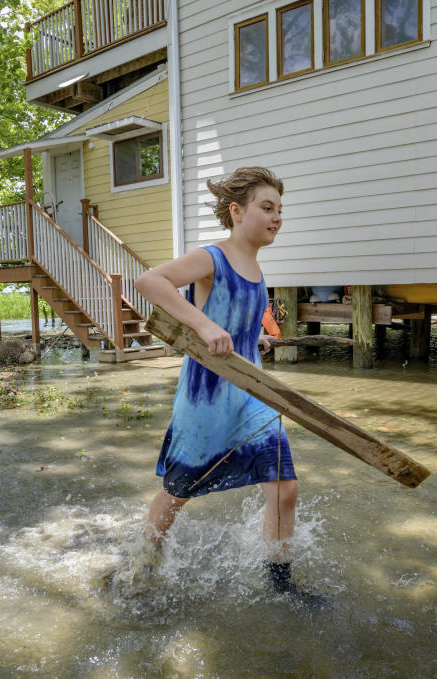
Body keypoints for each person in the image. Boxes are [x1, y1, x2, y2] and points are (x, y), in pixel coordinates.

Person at [132, 167, 321, 602]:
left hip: (252, 394)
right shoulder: (211, 257)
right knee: (178, 491)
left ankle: (281, 586)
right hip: (207, 397)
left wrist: (252, 337)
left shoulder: (256, 268)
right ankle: (142, 562)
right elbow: (149, 281)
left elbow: (234, 320)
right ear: (237, 212)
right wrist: (203, 324)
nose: (276, 218)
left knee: (285, 488)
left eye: (280, 210)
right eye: (266, 208)